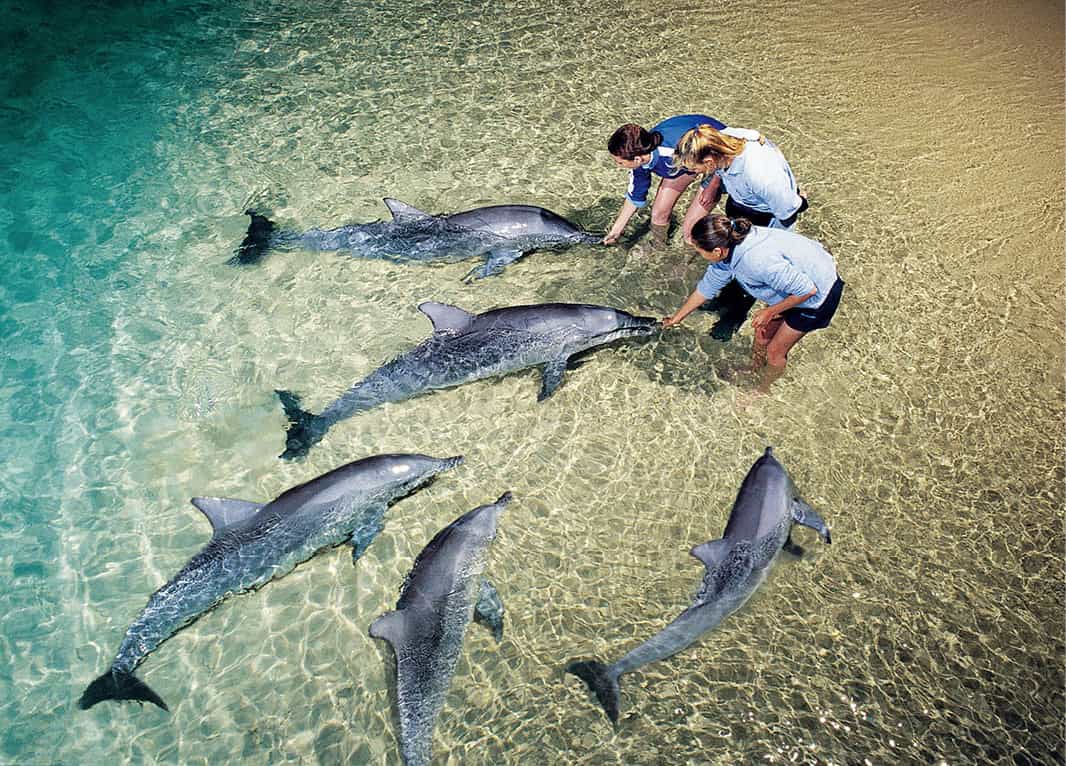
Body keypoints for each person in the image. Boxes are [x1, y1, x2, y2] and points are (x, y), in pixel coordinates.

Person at [662, 215, 843, 394]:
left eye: (701, 252)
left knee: (774, 351)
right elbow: (706, 288)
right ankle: (754, 367)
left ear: (717, 251)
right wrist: (676, 319)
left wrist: (770, 311)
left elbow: (807, 290)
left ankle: (762, 389)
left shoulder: (757, 261)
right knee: (762, 334)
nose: (701, 256)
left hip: (819, 295)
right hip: (794, 284)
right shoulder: (728, 244)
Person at [673, 124, 810, 340]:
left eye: (695, 168)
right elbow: (751, 137)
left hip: (767, 217)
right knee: (727, 259)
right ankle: (723, 298)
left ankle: (735, 315)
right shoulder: (724, 139)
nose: (693, 173)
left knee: (751, 269)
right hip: (741, 202)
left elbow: (788, 210)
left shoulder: (760, 175)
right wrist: (713, 184)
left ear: (709, 161)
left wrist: (769, 247)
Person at [603, 114, 725, 245]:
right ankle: (658, 249)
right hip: (687, 163)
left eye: (620, 162)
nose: (618, 166)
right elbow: (635, 196)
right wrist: (615, 232)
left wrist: (712, 186)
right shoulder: (641, 158)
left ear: (637, 159)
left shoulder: (673, 150)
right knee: (658, 214)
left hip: (719, 159)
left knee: (690, 231)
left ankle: (686, 261)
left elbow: (723, 156)